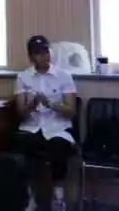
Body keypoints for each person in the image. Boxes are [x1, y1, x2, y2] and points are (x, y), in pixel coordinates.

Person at [14, 35, 77, 211]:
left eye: (46, 51)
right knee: (21, 144)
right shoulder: (23, 77)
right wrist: (32, 105)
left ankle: (58, 197)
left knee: (59, 146)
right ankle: (31, 196)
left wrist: (51, 104)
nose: (45, 56)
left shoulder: (64, 76)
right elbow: (20, 113)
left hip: (58, 127)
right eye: (39, 53)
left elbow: (72, 111)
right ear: (31, 57)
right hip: (32, 127)